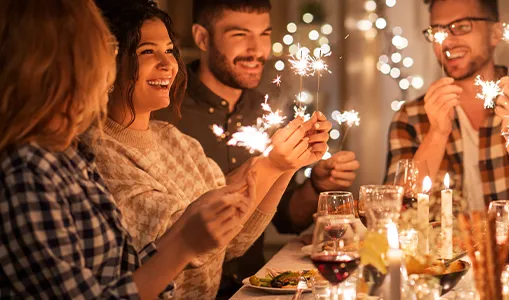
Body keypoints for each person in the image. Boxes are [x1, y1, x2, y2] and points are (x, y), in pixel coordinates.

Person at [0, 0, 252, 298]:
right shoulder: (29, 172)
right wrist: (184, 243)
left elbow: (125, 272)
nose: (107, 66)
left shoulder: (70, 157)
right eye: (102, 51)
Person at [86, 1, 330, 298]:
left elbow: (233, 240)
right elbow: (189, 243)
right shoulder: (96, 154)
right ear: (107, 64)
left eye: (169, 49)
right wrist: (270, 164)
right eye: (147, 51)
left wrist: (286, 165)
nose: (168, 63)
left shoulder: (178, 142)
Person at [152, 1, 360, 291]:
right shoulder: (161, 112)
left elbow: (290, 218)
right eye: (239, 34)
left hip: (257, 286)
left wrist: (316, 184)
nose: (257, 49)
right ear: (202, 37)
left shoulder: (269, 109)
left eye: (264, 34)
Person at [385, 0, 509, 206]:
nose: (447, 41)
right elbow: (394, 214)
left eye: (463, 26)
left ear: (495, 33)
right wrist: (437, 134)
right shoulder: (410, 117)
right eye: (437, 30)